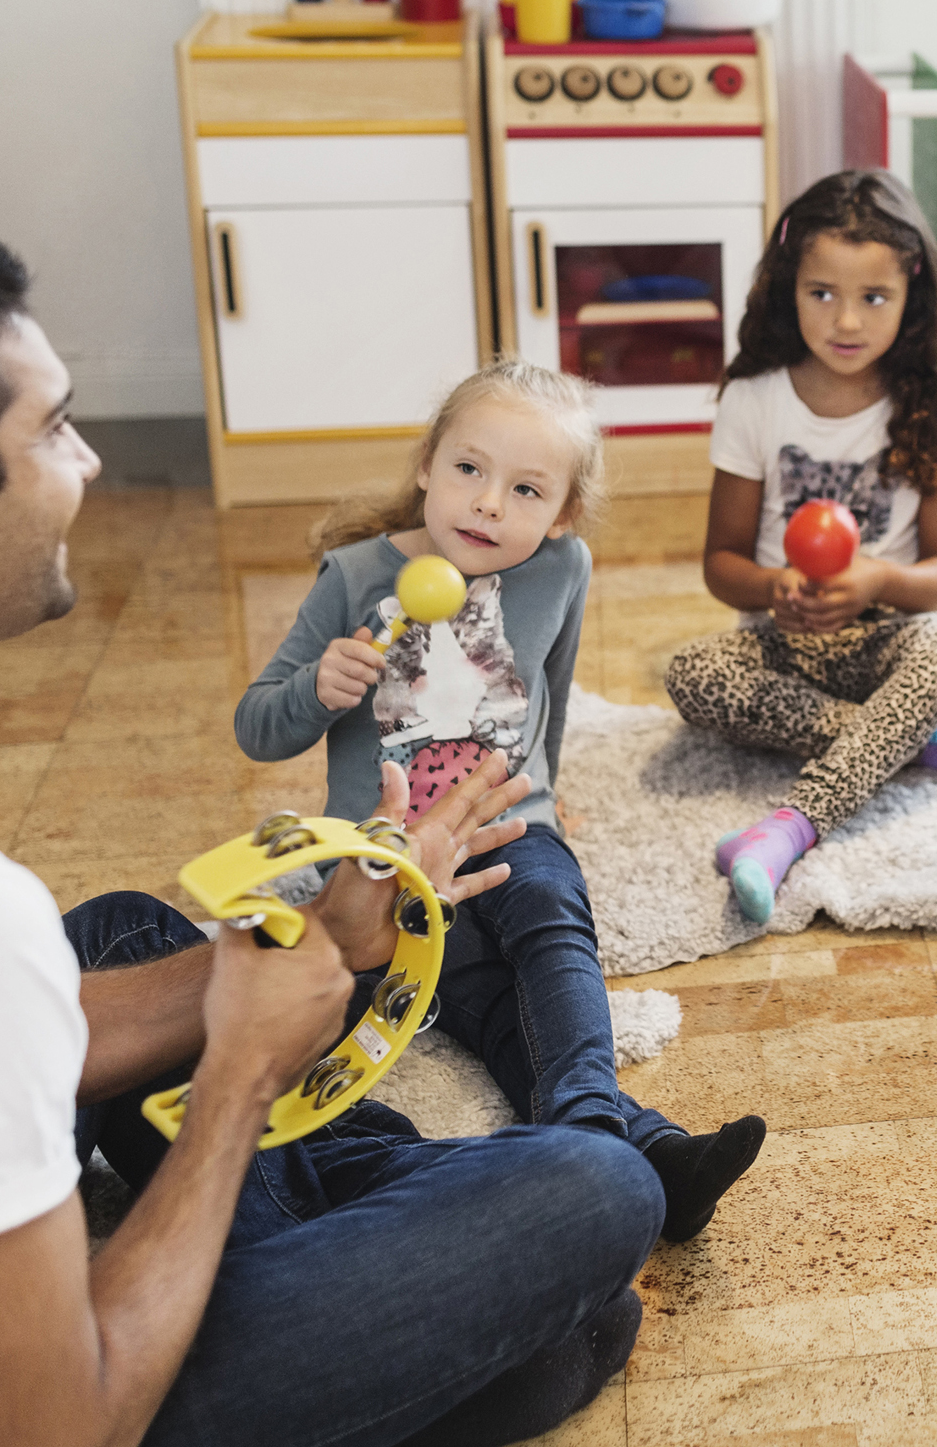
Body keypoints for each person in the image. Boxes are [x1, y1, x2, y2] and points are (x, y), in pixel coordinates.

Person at [0, 221, 656, 1447]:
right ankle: (420, 1318)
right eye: (53, 429)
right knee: (594, 1191)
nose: (90, 463)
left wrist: (324, 955)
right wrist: (236, 1083)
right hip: (21, 1411)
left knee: (126, 933)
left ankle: (377, 1272)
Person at [235, 361, 764, 1241]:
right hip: (384, 862)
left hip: (509, 821)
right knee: (481, 1000)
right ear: (426, 467)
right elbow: (260, 727)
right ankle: (649, 1152)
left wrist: (550, 801)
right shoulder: (355, 575)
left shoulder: (561, 569)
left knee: (553, 923)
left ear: (559, 514)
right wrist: (319, 691)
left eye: (524, 489)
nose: (487, 505)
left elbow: (547, 697)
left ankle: (593, 1134)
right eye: (469, 470)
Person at [664, 170, 937, 921]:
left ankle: (787, 829)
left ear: (914, 295)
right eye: (821, 292)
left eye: (874, 297)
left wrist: (873, 580)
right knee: (690, 675)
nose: (846, 320)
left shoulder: (935, 404)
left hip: (888, 644)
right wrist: (776, 590)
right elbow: (722, 563)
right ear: (787, 287)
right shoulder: (755, 399)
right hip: (785, 644)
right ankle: (925, 742)